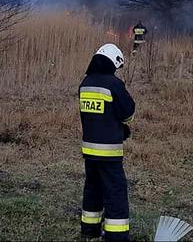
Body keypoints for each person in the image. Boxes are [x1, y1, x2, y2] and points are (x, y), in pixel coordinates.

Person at [79, 43, 135, 241]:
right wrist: (123, 127)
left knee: (92, 188)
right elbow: (127, 113)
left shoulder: (85, 83)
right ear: (113, 62)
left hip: (89, 150)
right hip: (109, 152)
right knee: (115, 191)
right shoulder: (114, 84)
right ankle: (116, 236)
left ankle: (89, 229)